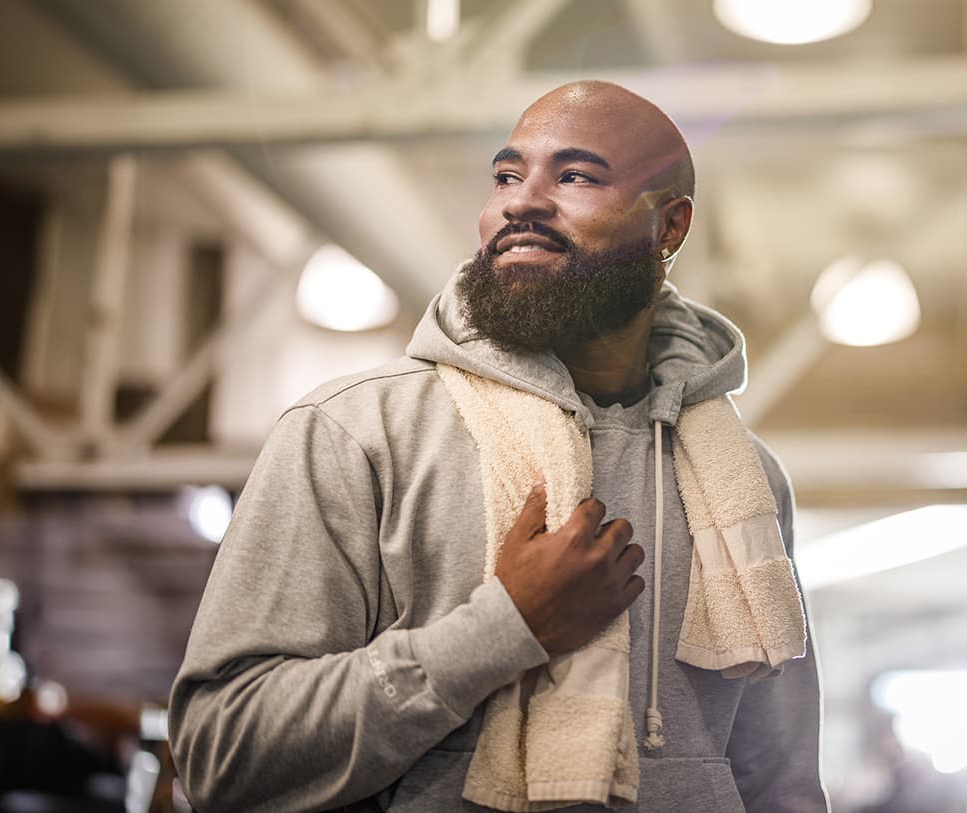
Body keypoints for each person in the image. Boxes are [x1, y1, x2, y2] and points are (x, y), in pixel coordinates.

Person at [169, 81, 829, 813]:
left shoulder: (744, 479)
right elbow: (219, 753)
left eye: (575, 175)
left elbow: (780, 780)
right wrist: (500, 628)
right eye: (507, 176)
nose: (521, 201)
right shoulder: (354, 431)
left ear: (669, 228)